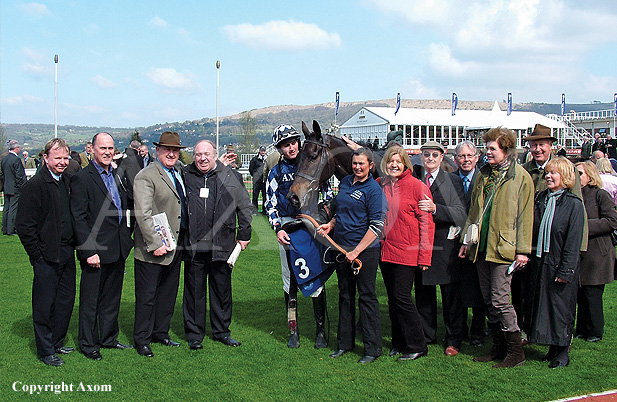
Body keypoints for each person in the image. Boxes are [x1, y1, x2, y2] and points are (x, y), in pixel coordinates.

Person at [459, 126, 534, 368]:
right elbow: (474, 210)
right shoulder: (484, 174)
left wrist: (523, 250)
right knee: (488, 299)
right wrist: (465, 241)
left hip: (505, 248)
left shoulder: (521, 177)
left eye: (492, 148)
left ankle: (515, 350)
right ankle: (499, 346)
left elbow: (525, 216)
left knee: (501, 299)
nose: (487, 152)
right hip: (482, 246)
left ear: (506, 150)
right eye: (487, 147)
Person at [265, 124, 331, 349]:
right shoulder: (275, 172)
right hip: (287, 227)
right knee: (289, 280)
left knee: (315, 276)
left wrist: (322, 218)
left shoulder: (314, 165)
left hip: (311, 226)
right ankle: (293, 330)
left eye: (293, 142)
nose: (291, 148)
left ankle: (321, 330)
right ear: (279, 148)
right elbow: (270, 204)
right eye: (286, 145)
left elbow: (329, 195)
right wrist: (278, 229)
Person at [319, 147, 387, 363]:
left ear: (370, 166)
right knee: (345, 296)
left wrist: (356, 251)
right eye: (355, 163)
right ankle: (344, 344)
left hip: (364, 252)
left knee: (366, 298)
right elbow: (342, 212)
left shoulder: (374, 190)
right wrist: (331, 224)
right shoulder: (346, 182)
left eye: (362, 164)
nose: (357, 167)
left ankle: (372, 349)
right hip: (342, 249)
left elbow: (376, 225)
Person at [182, 140, 252, 350]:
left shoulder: (231, 176)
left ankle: (221, 331)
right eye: (198, 154)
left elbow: (244, 206)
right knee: (194, 291)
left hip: (222, 242)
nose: (202, 158)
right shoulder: (186, 175)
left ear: (215, 154)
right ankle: (195, 334)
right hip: (194, 243)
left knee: (221, 290)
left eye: (206, 154)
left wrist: (244, 233)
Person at [70, 133, 134, 361]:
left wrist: (127, 237)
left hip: (117, 248)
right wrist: (89, 251)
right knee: (90, 300)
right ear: (92, 149)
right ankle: (88, 344)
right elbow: (78, 218)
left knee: (111, 297)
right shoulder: (82, 178)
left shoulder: (117, 174)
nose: (107, 152)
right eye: (102, 148)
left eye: (110, 148)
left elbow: (125, 206)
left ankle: (108, 338)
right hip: (95, 251)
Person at [16, 138, 76, 366]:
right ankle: (45, 350)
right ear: (46, 158)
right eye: (57, 158)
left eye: (64, 158)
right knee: (44, 303)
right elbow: (24, 226)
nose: (62, 162)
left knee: (65, 301)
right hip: (46, 255)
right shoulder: (35, 186)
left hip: (67, 251)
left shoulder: (68, 181)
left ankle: (57, 341)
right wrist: (37, 255)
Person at [526, 157, 584, 368]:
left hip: (560, 261)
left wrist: (566, 269)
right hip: (541, 261)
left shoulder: (573, 204)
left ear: (565, 177)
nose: (548, 176)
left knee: (561, 308)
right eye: (547, 173)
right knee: (544, 305)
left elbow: (573, 240)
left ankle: (562, 351)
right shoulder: (541, 198)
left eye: (553, 173)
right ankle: (551, 346)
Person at [133, 131, 187, 357]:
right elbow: (143, 214)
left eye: (175, 150)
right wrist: (155, 243)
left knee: (167, 292)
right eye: (167, 150)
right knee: (147, 296)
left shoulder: (179, 173)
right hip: (153, 248)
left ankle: (161, 332)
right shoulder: (146, 176)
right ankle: (142, 339)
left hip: (176, 244)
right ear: (158, 151)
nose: (172, 154)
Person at [378, 145, 433, 361]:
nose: (394, 165)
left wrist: (424, 256)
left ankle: (418, 344)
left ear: (405, 164)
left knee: (402, 297)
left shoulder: (417, 187)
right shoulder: (380, 184)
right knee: (393, 298)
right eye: (391, 161)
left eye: (398, 162)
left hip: (407, 251)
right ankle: (398, 342)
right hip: (386, 251)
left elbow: (426, 223)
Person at [412, 141, 467, 356]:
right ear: (421, 157)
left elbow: (460, 213)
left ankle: (454, 338)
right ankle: (427, 335)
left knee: (450, 295)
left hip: (445, 245)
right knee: (424, 294)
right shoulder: (416, 180)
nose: (431, 159)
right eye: (426, 155)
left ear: (442, 157)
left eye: (435, 155)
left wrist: (436, 209)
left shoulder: (451, 180)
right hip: (420, 245)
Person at [574, 161, 617, 343]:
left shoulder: (600, 195)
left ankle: (595, 331)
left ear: (590, 176)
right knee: (581, 295)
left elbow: (612, 221)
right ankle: (582, 328)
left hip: (598, 254)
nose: (577, 177)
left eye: (580, 173)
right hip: (581, 254)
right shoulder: (575, 195)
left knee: (592, 294)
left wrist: (585, 226)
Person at [454, 141, 487, 347]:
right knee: (457, 289)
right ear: (455, 159)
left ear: (476, 158)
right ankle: (459, 330)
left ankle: (478, 331)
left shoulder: (484, 180)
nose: (466, 160)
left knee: (478, 288)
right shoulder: (450, 180)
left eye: (469, 156)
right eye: (461, 156)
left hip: (478, 241)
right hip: (454, 243)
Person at [1, 140, 26, 235]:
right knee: (13, 209)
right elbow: (19, 175)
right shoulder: (16, 160)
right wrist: (21, 187)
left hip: (6, 186)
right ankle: (11, 230)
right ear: (16, 149)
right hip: (15, 188)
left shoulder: (4, 159)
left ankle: (5, 228)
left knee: (6, 208)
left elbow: (2, 174)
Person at [249, 145, 267, 214]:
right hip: (257, 181)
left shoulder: (267, 159)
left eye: (264, 151)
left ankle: (264, 211)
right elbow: (251, 169)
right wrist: (255, 176)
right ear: (259, 151)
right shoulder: (254, 159)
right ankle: (254, 211)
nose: (263, 152)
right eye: (262, 150)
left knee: (265, 196)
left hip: (264, 180)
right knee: (255, 196)